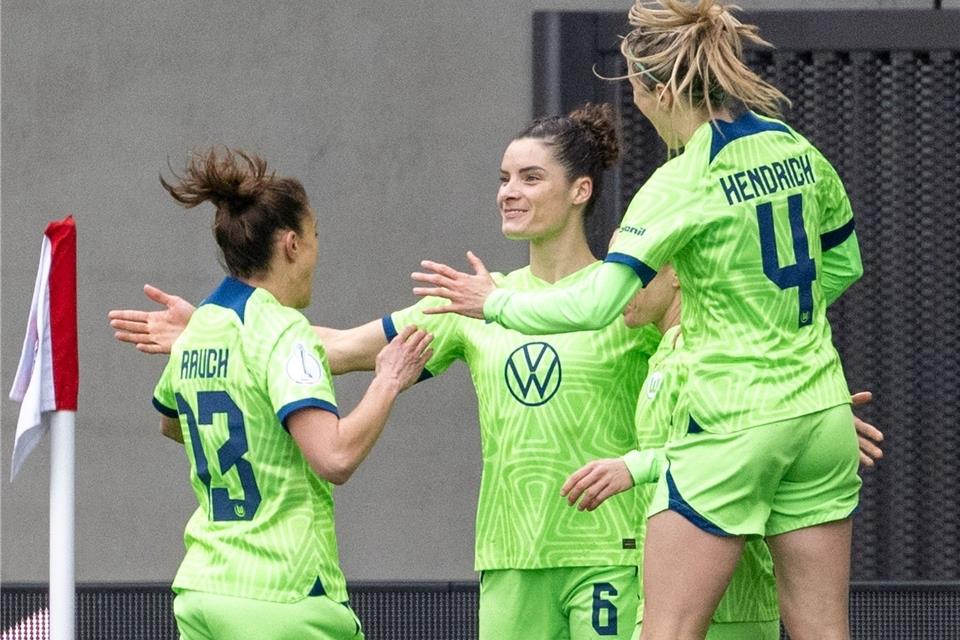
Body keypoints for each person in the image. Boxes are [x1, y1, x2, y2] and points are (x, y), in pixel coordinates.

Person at [114, 104, 660, 640]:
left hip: (609, 550)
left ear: (580, 190)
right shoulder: (470, 300)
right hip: (511, 552)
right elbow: (345, 347)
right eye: (503, 178)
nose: (508, 191)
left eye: (530, 177)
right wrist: (222, 330)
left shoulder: (626, 298)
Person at [409, 1, 866, 638]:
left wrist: (496, 303)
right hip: (821, 412)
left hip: (731, 419)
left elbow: (600, 303)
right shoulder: (798, 150)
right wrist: (773, 329)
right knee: (823, 630)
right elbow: (844, 265)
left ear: (662, 88)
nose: (637, 104)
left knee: (667, 629)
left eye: (635, 89)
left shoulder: (684, 179)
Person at [145, 147, 432, 640]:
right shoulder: (284, 331)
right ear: (292, 244)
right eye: (317, 235)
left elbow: (174, 424)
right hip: (284, 596)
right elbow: (334, 458)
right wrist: (388, 381)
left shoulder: (200, 328)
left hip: (204, 592)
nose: (319, 249)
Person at [561, 262, 883, 640]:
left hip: (733, 612)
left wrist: (635, 466)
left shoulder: (722, 359)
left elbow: (729, 449)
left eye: (634, 267)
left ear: (678, 273)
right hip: (666, 601)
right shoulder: (663, 352)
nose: (618, 284)